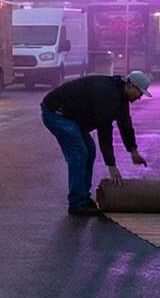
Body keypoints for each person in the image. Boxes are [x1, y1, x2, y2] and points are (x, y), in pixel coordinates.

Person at [40, 70, 151, 217]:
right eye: (140, 93)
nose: (140, 98)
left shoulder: (121, 96)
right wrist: (111, 165)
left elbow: (125, 124)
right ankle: (77, 203)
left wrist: (133, 151)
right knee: (79, 154)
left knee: (90, 150)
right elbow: (104, 130)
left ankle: (84, 197)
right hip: (57, 113)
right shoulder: (109, 95)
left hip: (72, 117)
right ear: (131, 86)